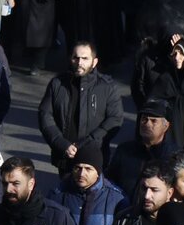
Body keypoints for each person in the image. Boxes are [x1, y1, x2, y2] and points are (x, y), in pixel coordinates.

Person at [39, 41, 123, 172]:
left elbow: (114, 119)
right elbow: (45, 115)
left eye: (85, 58)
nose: (79, 63)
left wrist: (87, 143)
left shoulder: (108, 87)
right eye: (76, 58)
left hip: (94, 160)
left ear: (94, 62)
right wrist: (61, 143)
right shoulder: (57, 84)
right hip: (65, 158)